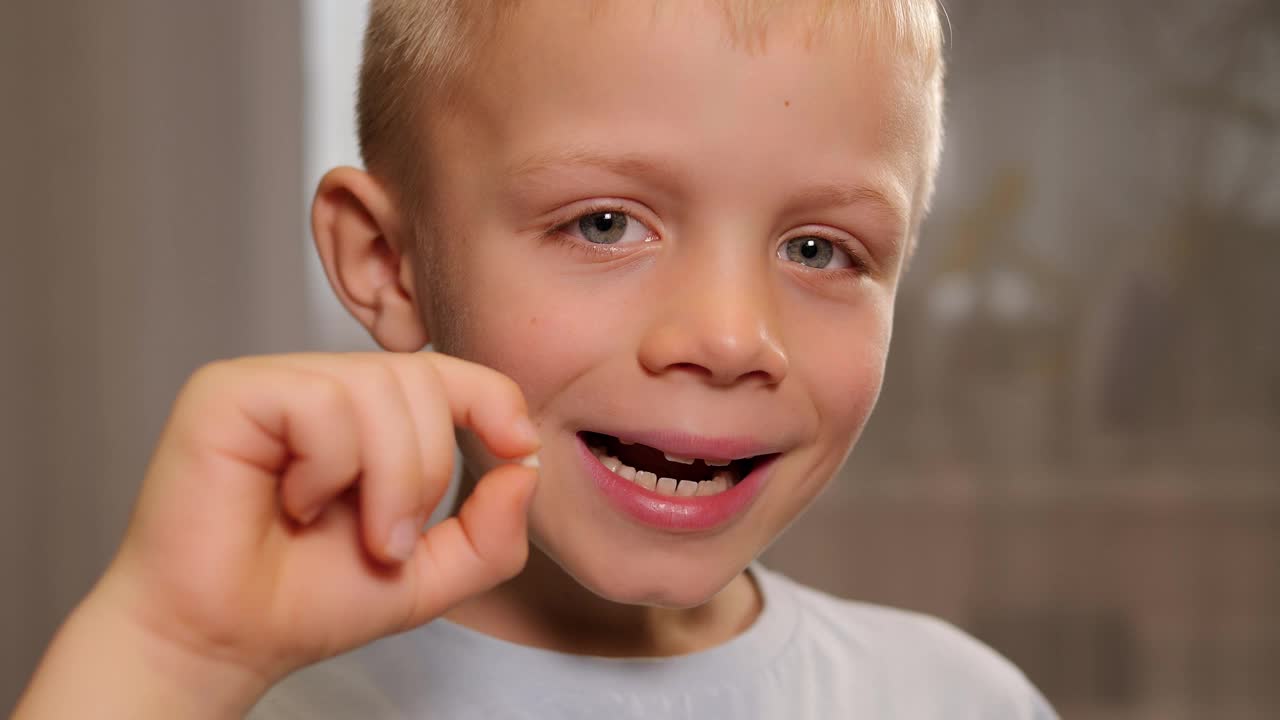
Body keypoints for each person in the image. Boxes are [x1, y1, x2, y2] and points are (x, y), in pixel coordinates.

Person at [15, 1, 1058, 717]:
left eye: (817, 250)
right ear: (388, 262)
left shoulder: (958, 701)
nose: (732, 337)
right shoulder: (236, 700)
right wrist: (162, 660)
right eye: (604, 224)